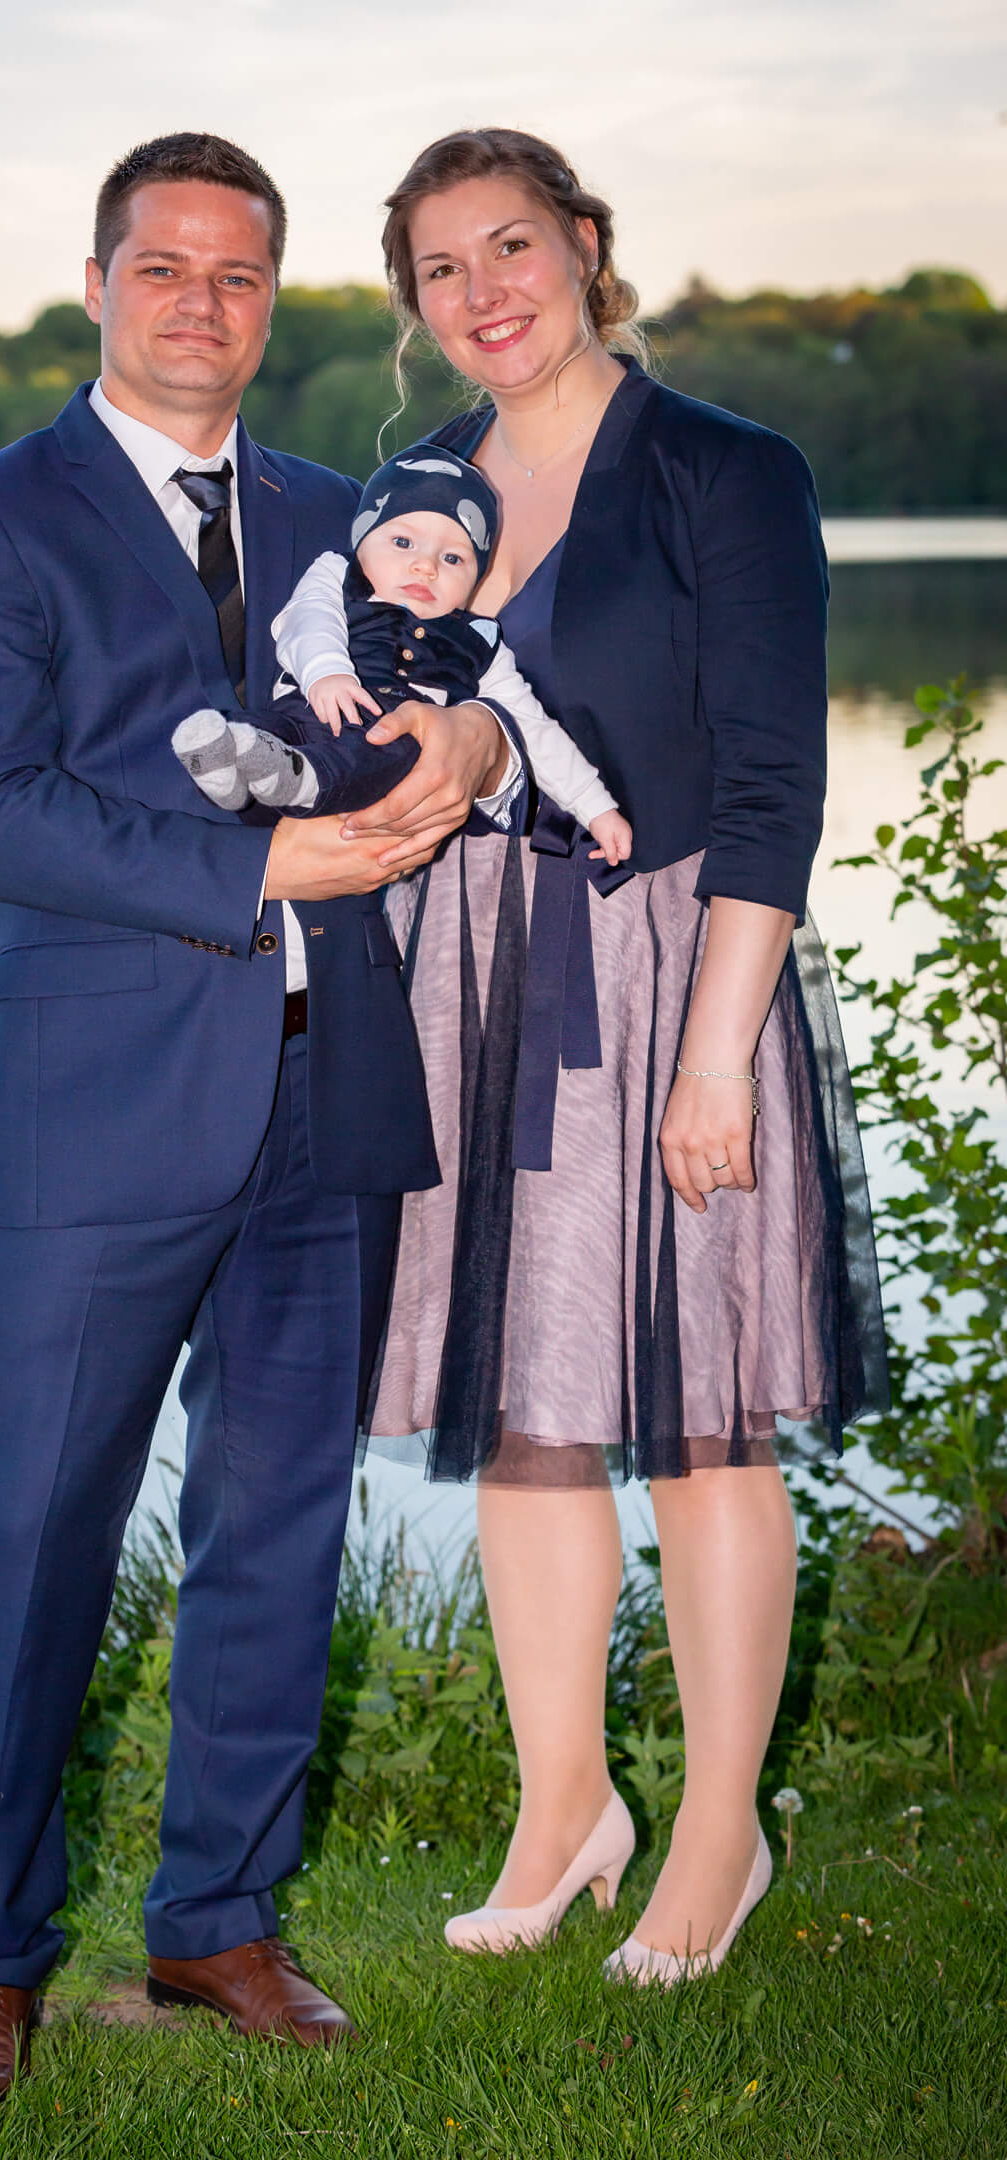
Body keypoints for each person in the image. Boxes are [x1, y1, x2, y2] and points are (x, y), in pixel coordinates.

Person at [0, 132, 515, 2099]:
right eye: (163, 268)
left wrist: (474, 730)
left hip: (331, 1097)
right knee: (31, 1542)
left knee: (280, 1525)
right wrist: (262, 872)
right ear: (98, 286)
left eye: (238, 274)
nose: (201, 304)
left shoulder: (351, 514)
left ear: (272, 300)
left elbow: (482, 690)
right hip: (93, 1119)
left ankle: (218, 1921)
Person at [358, 128, 887, 1985]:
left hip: (679, 970)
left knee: (697, 1413)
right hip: (476, 975)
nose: (484, 291)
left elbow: (773, 782)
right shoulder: (419, 489)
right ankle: (565, 1803)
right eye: (441, 267)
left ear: (585, 246)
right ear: (414, 305)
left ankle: (722, 1830)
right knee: (527, 1412)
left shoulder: (727, 470)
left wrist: (719, 1056)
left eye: (511, 245)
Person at [172, 450, 630, 867]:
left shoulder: (478, 643)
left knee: (389, 753)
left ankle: (298, 779)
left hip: (381, 751)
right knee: (266, 731)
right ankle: (228, 756)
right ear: (362, 542)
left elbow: (534, 729)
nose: (426, 566)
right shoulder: (338, 574)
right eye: (403, 543)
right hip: (304, 713)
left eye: (453, 558)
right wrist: (326, 671)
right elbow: (306, 618)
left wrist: (596, 807)